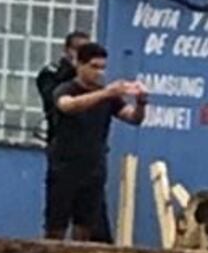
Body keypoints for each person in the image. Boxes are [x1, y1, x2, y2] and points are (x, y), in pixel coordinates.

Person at [47, 42, 146, 242]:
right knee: (56, 227)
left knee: (85, 227)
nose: (98, 72)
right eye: (93, 67)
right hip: (64, 167)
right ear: (79, 65)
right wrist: (106, 93)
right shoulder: (66, 89)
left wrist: (142, 102)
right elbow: (68, 106)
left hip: (93, 169)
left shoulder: (108, 97)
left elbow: (132, 118)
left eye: (102, 67)